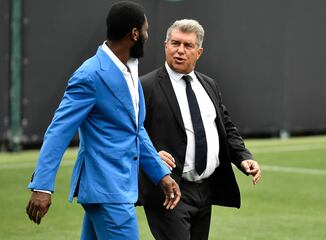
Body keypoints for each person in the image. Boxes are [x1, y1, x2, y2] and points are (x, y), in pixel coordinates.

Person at [25, 2, 181, 239]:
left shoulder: (130, 70)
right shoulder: (89, 75)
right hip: (109, 191)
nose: (148, 36)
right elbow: (58, 131)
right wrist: (42, 186)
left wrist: (161, 174)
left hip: (114, 190)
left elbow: (136, 130)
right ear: (134, 33)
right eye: (146, 31)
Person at [138, 19, 261, 240]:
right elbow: (131, 133)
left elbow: (225, 127)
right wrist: (151, 156)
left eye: (188, 46)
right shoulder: (145, 86)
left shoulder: (209, 85)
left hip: (205, 190)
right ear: (165, 45)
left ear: (199, 52)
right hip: (169, 189)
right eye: (175, 43)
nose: (180, 51)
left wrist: (243, 157)